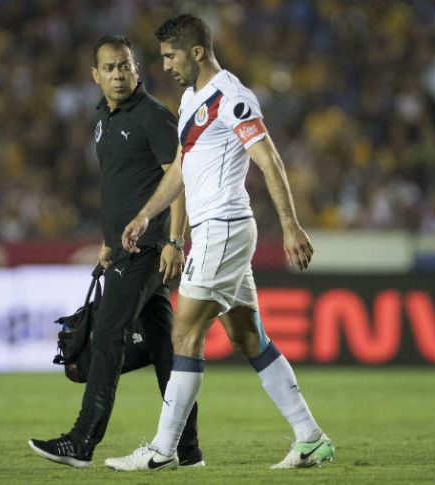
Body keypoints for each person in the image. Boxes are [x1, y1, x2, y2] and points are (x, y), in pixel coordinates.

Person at [104, 14, 334, 471]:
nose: (165, 66)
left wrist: (290, 225)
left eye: (170, 56)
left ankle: (164, 450)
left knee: (184, 333)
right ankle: (311, 438)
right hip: (218, 231)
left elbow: (269, 160)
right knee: (248, 337)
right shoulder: (192, 99)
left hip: (223, 228)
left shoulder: (232, 97)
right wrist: (145, 215)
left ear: (196, 52)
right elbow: (180, 170)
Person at [28, 35, 203, 469]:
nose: (118, 75)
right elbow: (122, 185)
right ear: (96, 75)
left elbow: (179, 180)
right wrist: (108, 241)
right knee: (164, 347)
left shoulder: (152, 116)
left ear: (137, 69)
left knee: (107, 336)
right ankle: (187, 449)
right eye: (109, 68)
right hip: (123, 249)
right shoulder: (103, 119)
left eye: (125, 66)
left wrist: (174, 241)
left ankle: (81, 441)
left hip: (148, 249)